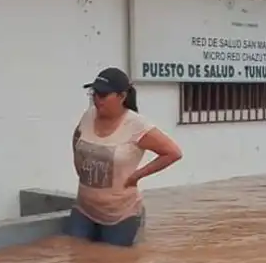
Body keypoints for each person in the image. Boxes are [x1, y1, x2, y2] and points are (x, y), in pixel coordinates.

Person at [69, 67, 182, 247]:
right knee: (75, 255)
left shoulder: (136, 125)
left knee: (115, 261)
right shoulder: (89, 115)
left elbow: (173, 153)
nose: (97, 99)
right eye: (94, 93)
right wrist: (79, 164)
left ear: (122, 96)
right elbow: (77, 137)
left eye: (103, 95)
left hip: (120, 215)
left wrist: (137, 176)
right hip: (84, 209)